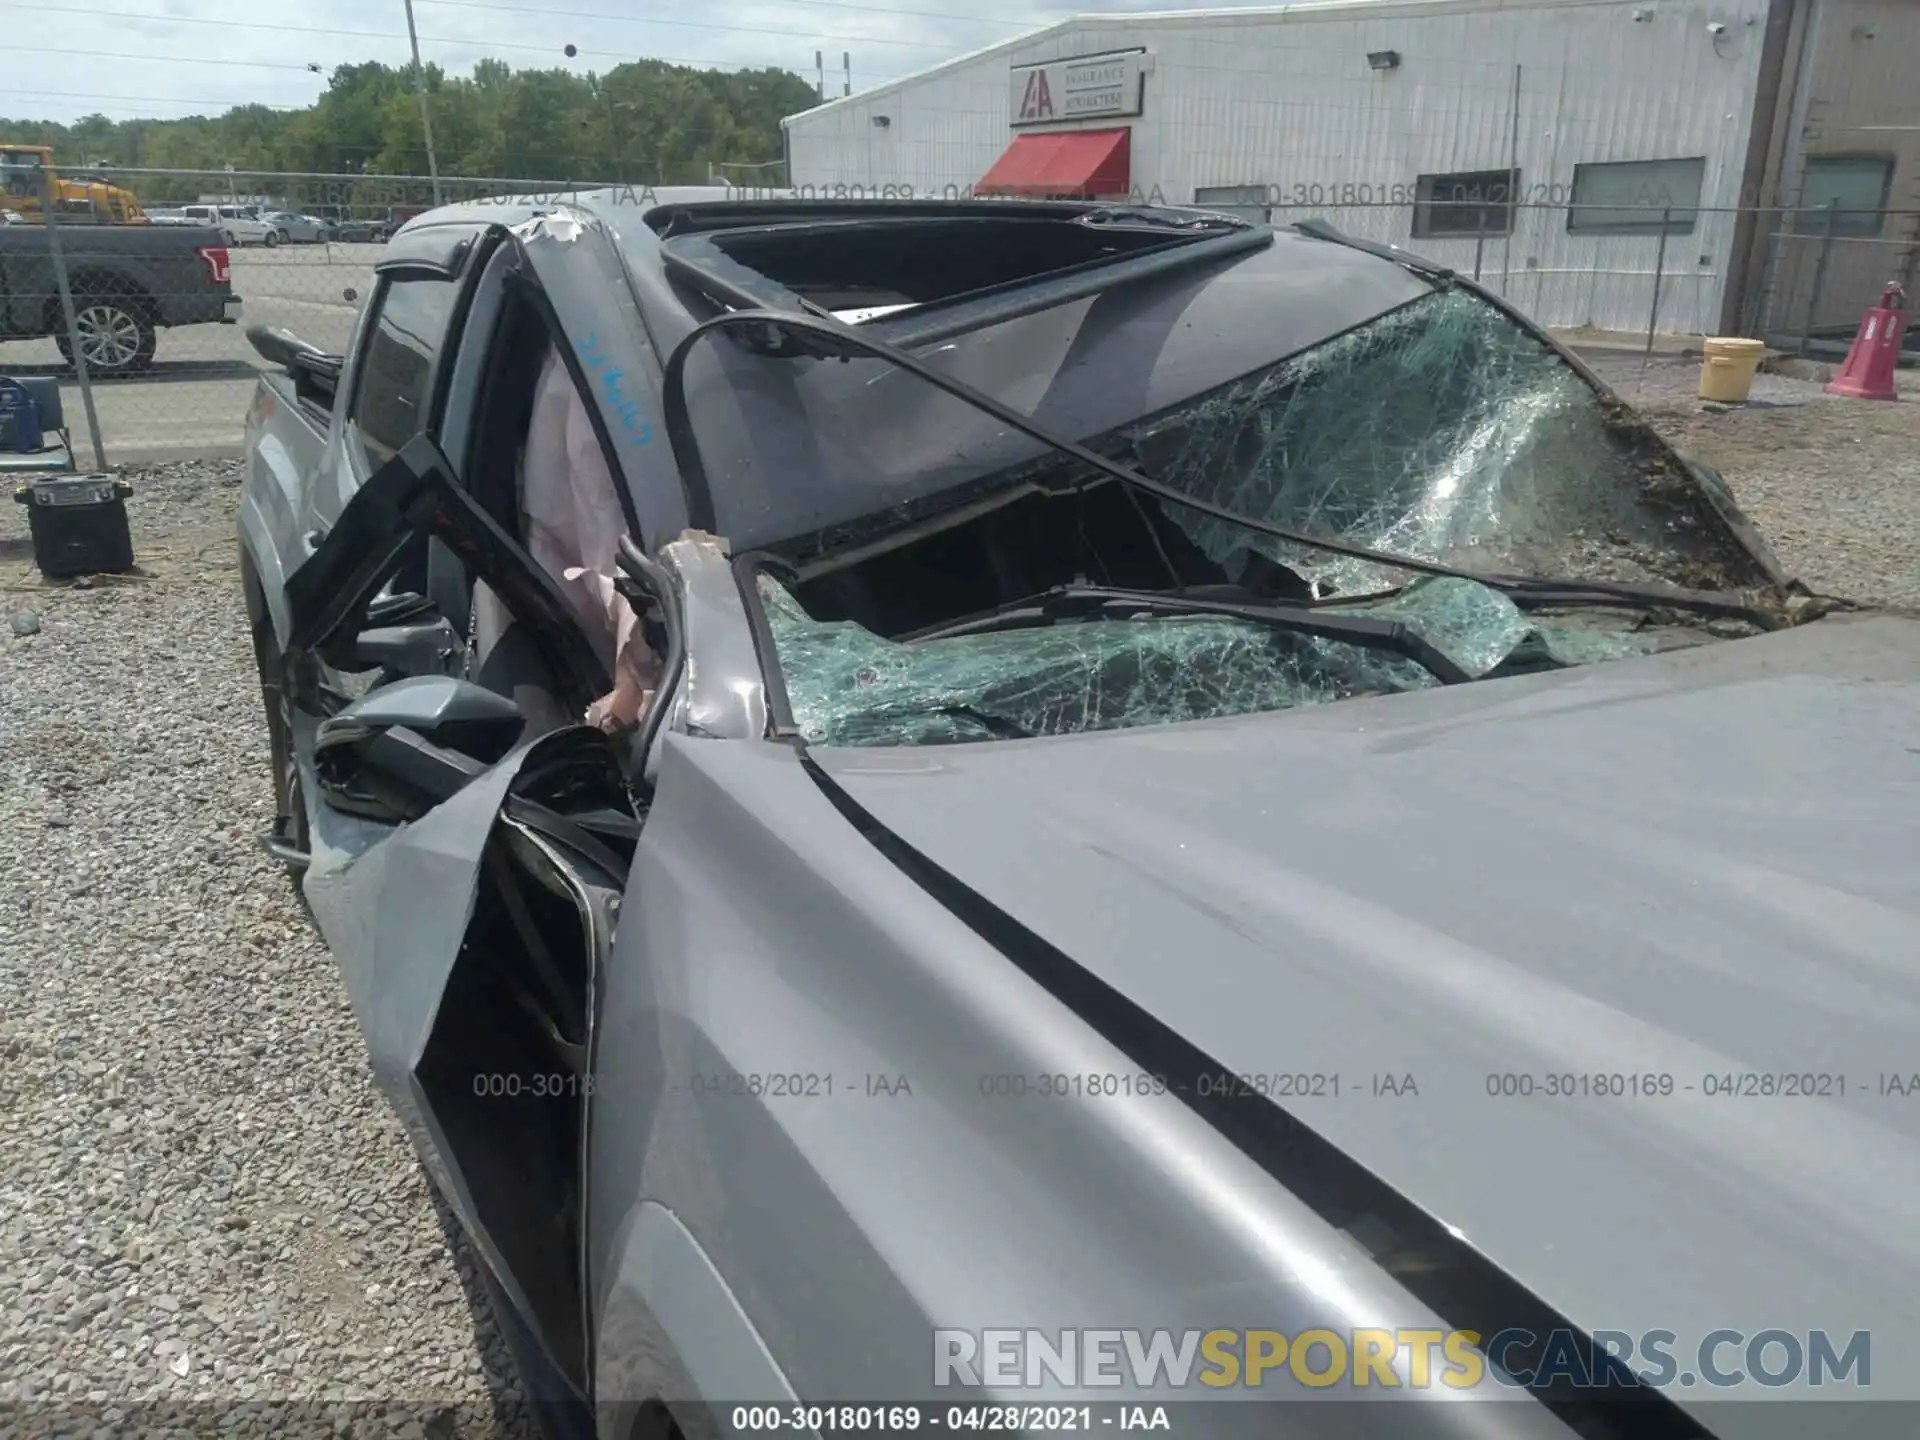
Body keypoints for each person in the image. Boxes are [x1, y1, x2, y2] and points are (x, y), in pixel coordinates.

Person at [518, 342, 662, 731]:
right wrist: (636, 679)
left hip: (590, 561)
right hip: (576, 563)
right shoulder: (600, 354)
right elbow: (606, 517)